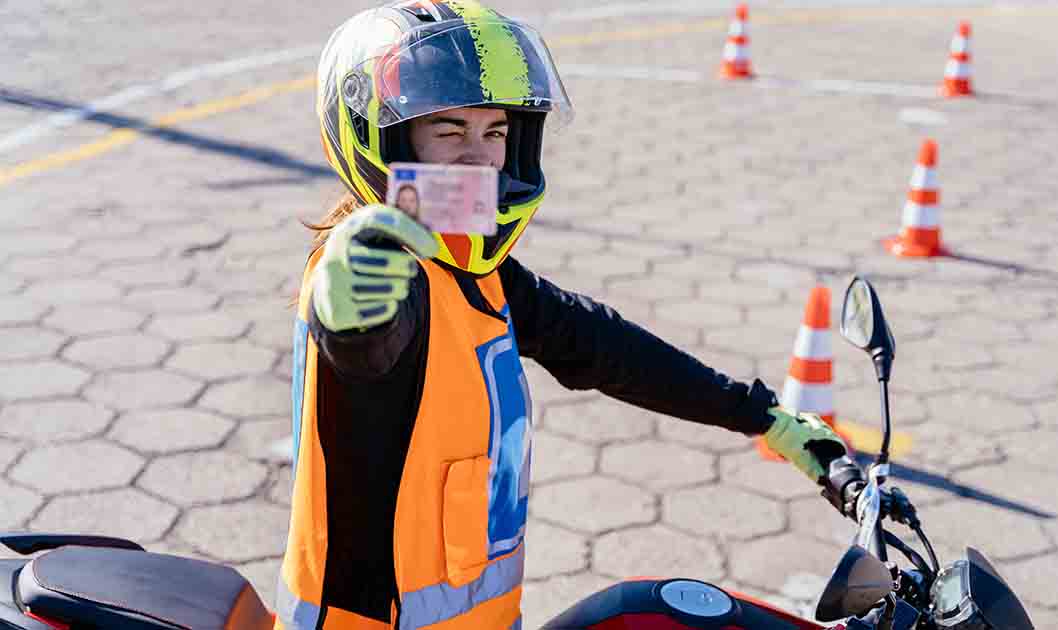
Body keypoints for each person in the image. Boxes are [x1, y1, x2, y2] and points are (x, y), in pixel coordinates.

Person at [279, 2, 858, 629]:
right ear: (382, 142)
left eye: (495, 133)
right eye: (449, 132)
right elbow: (367, 355)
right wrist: (351, 323)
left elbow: (603, 346)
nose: (479, 159)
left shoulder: (477, 274)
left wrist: (763, 416)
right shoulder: (385, 280)